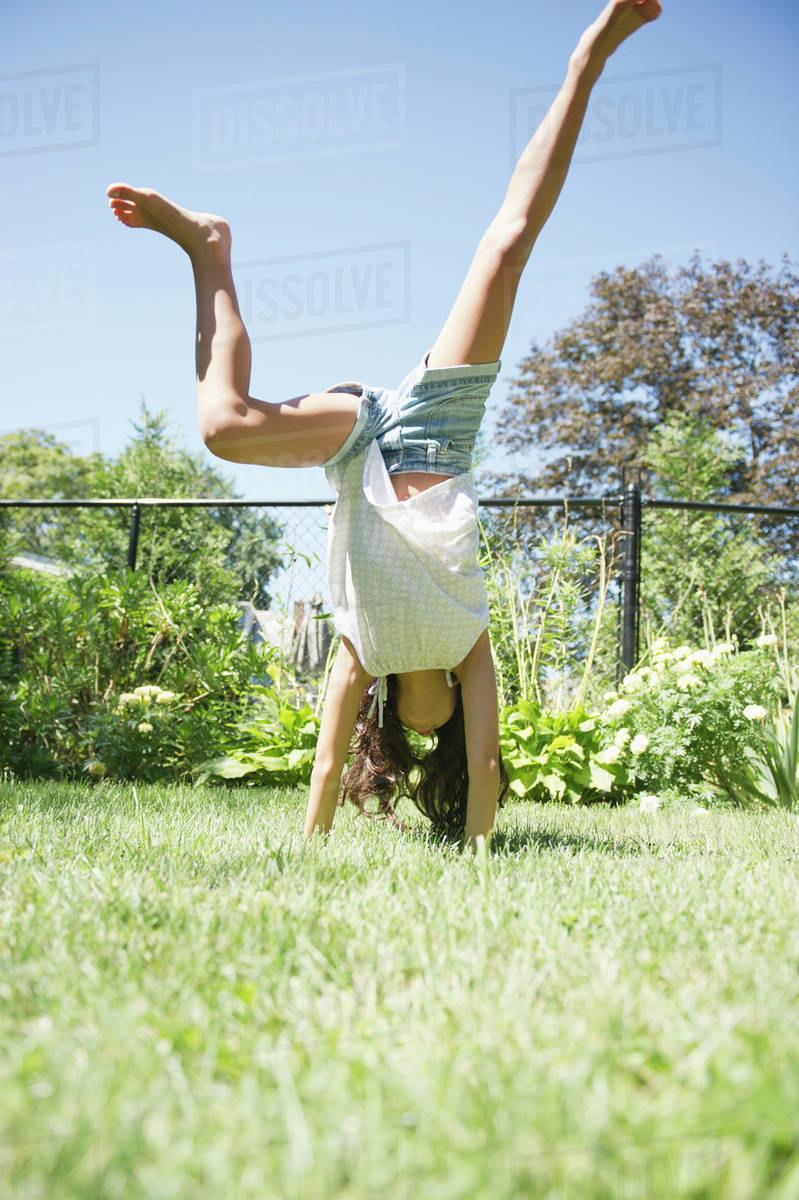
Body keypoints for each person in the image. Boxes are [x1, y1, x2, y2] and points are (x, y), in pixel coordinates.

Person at [106, 0, 662, 850]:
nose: (439, 702)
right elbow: (484, 768)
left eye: (424, 706)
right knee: (507, 245)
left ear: (399, 709)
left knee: (221, 428)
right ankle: (591, 51)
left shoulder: (363, 651)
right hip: (440, 428)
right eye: (448, 705)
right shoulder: (466, 646)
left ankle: (207, 251)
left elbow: (326, 768)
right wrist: (479, 853)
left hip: (364, 440)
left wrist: (311, 847)